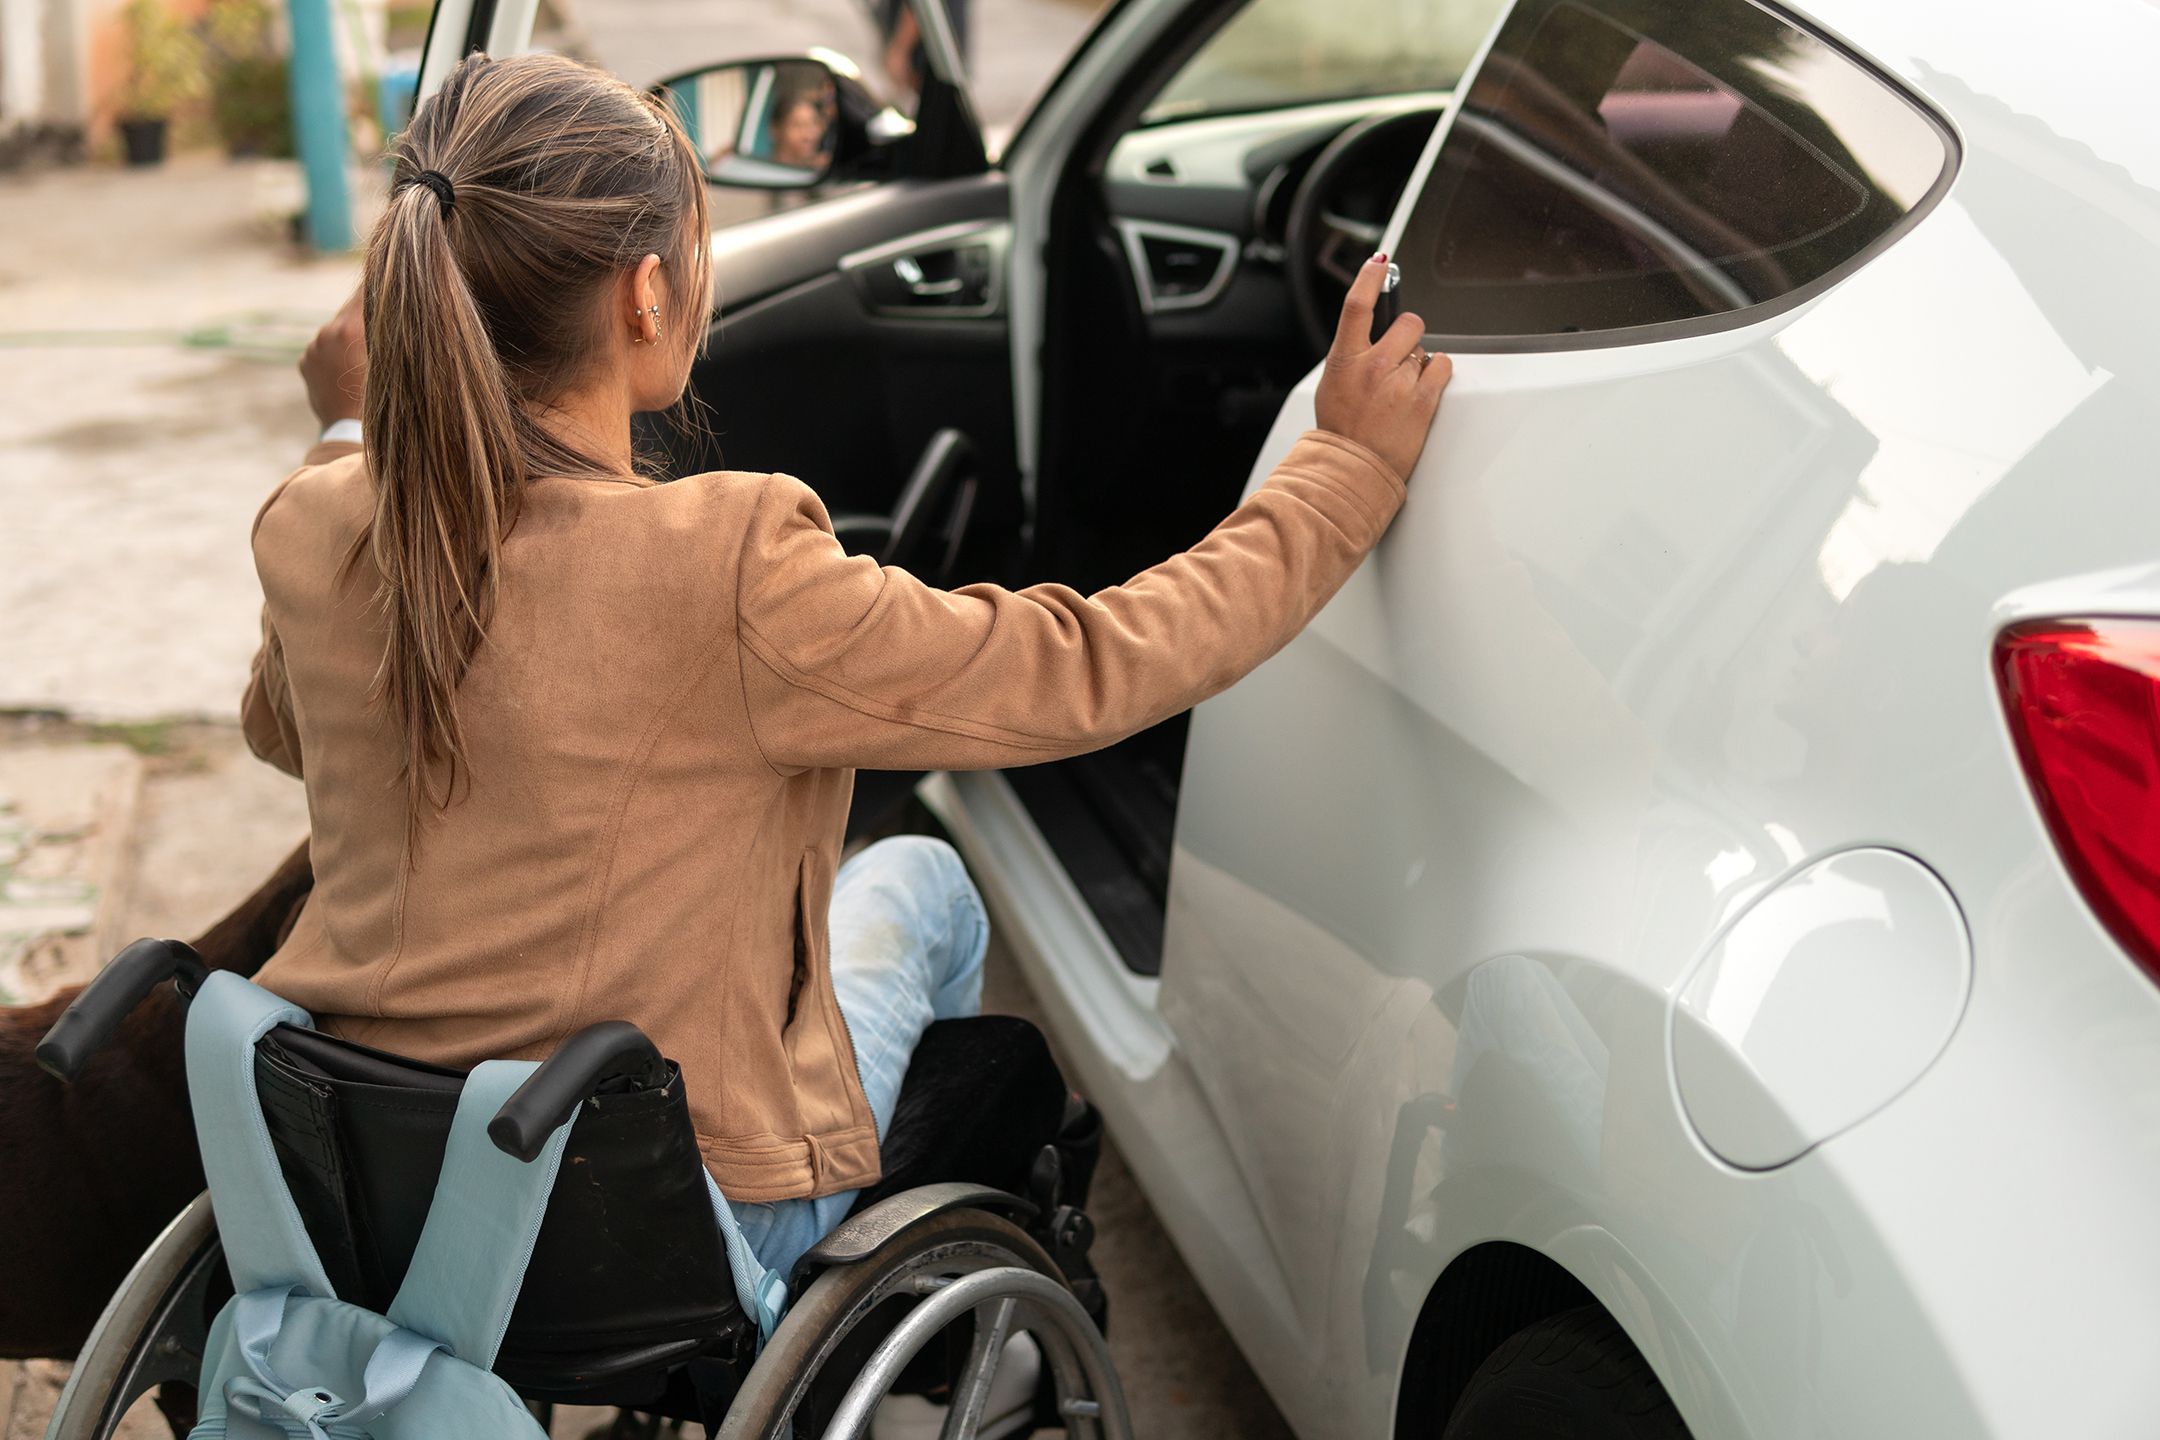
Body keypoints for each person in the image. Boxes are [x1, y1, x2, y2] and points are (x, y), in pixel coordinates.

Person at [262, 51, 1449, 1313]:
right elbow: (1092, 667)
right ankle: (876, 1279)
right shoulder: (725, 563)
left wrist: (350, 438)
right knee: (926, 877)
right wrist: (1341, 470)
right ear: (648, 295)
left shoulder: (315, 520)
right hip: (662, 1232)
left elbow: (287, 728)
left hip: (365, 1199)